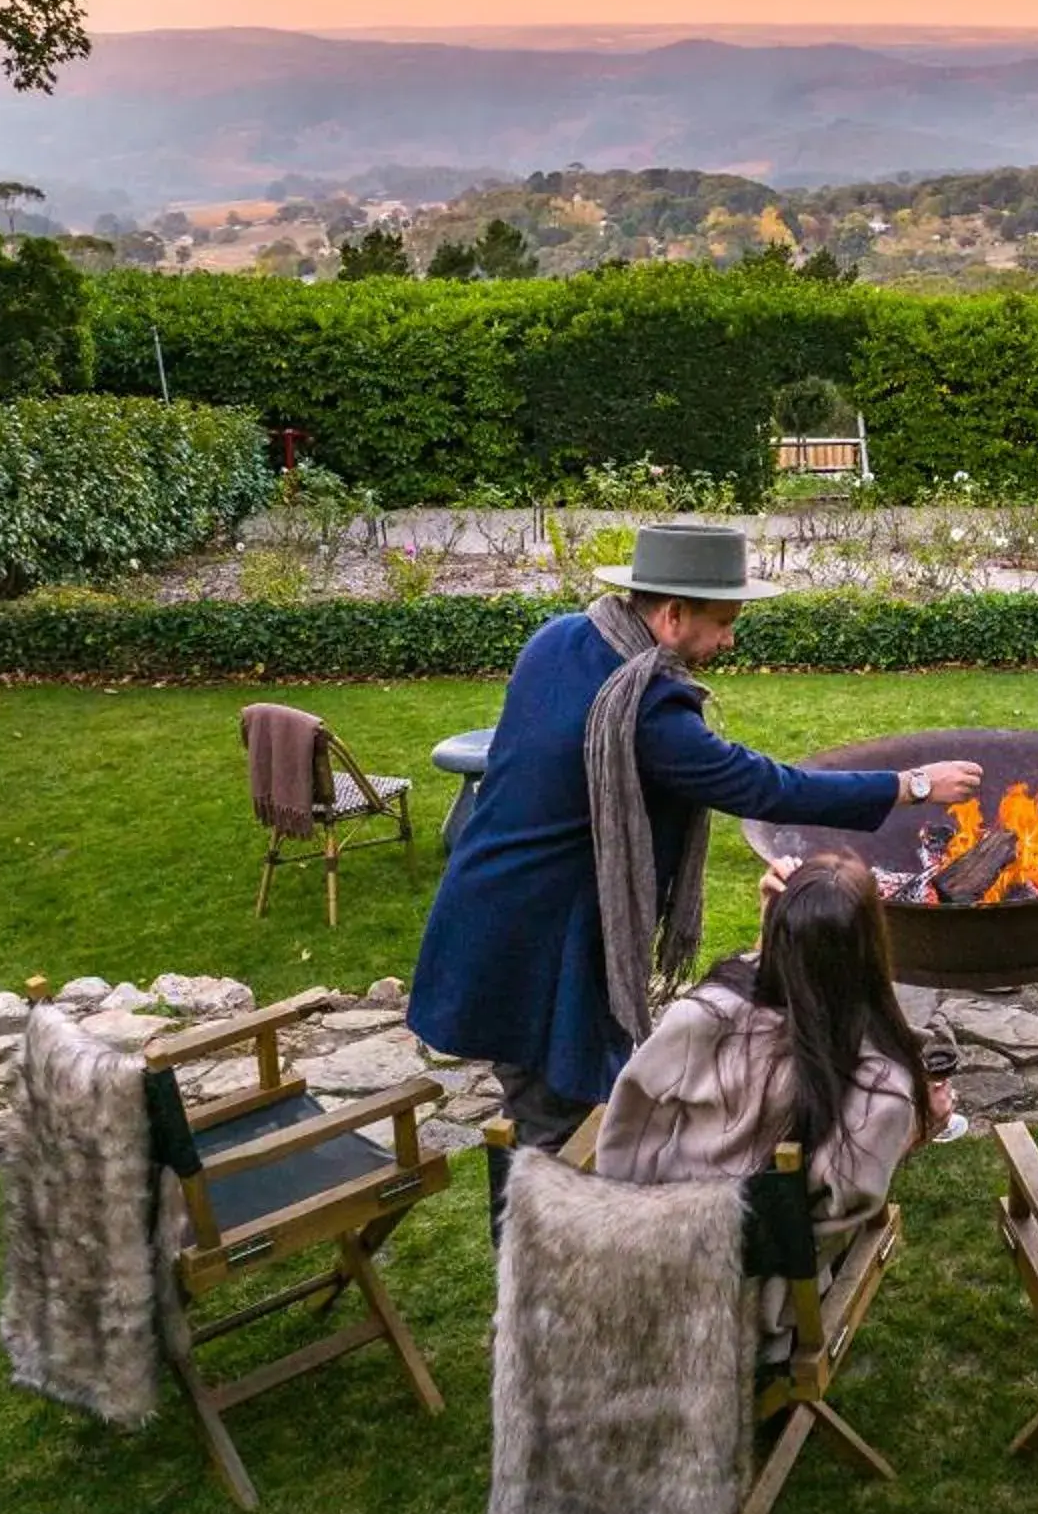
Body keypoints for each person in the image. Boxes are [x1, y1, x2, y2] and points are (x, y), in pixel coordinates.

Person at [406, 521, 979, 1223]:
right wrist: (911, 786)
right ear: (672, 615)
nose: (730, 640)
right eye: (723, 622)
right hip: (542, 944)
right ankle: (542, 1276)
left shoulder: (561, 639)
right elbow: (766, 788)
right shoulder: (649, 711)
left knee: (555, 1096)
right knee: (548, 1131)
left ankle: (573, 1243)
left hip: (485, 907)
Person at [592, 851, 946, 1342]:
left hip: (651, 1267)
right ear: (872, 944)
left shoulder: (703, 1017)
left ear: (776, 934)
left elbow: (626, 1130)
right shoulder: (882, 1086)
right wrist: (915, 1131)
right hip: (750, 1312)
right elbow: (840, 1210)